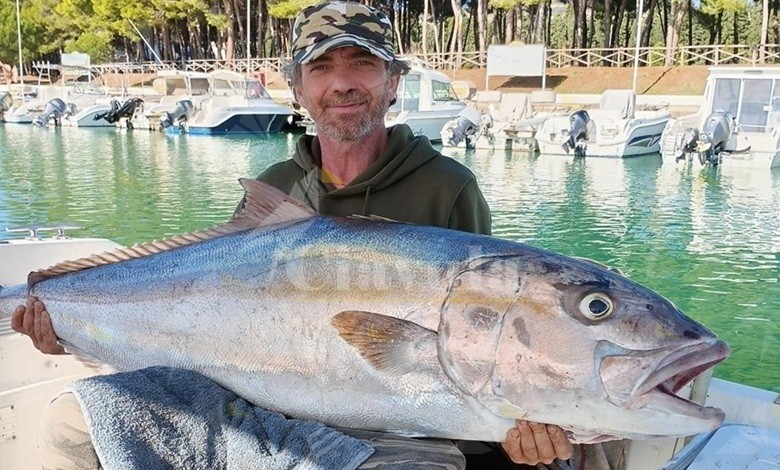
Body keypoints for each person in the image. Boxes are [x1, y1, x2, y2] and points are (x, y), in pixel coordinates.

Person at [12, 2, 574, 468]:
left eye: (363, 64)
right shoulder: (277, 187)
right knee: (72, 421)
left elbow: (481, 336)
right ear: (298, 89)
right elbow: (211, 310)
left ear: (393, 81)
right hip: (268, 410)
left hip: (401, 425)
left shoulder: (447, 187)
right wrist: (74, 329)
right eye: (322, 68)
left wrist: (520, 421)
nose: (343, 84)